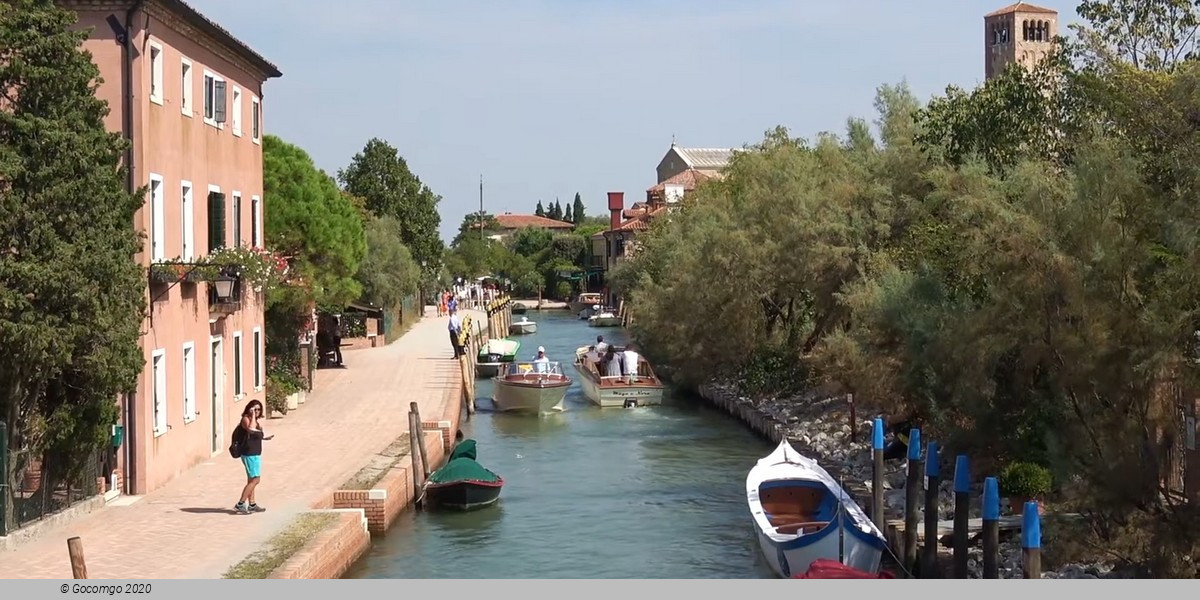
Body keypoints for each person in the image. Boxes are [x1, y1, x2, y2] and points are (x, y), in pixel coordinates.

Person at [234, 400, 273, 514]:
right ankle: (240, 503)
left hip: (255, 453)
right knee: (256, 479)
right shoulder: (246, 419)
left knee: (251, 480)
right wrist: (252, 416)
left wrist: (264, 438)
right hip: (249, 454)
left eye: (258, 409)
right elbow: (250, 430)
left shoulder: (255, 421)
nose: (256, 411)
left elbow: (255, 435)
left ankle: (252, 504)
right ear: (249, 409)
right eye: (254, 409)